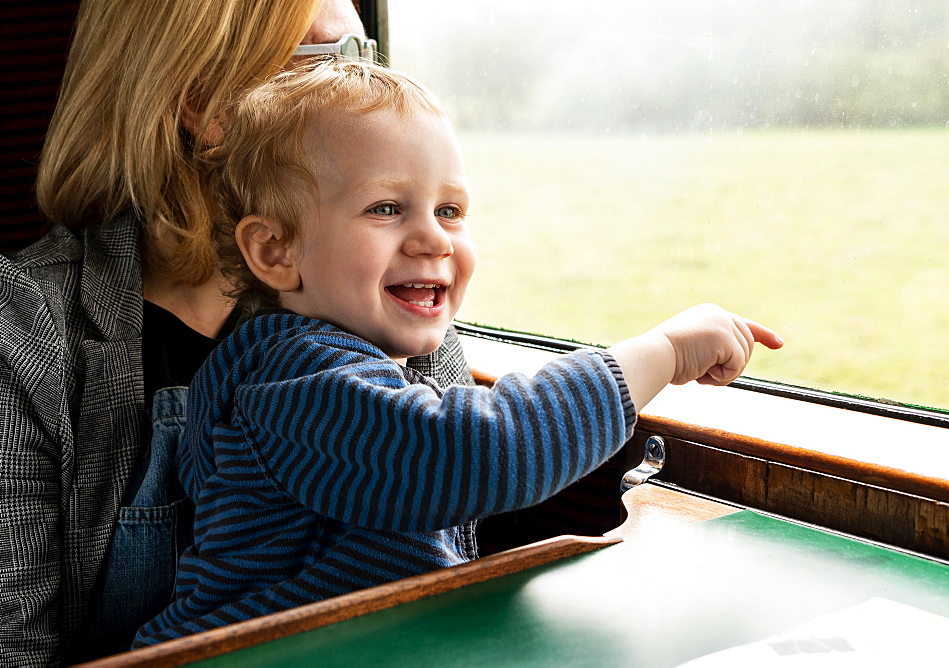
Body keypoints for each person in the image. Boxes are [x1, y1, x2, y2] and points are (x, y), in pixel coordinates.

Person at [131, 60, 783, 646]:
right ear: (276, 252)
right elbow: (477, 452)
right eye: (386, 208)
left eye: (451, 210)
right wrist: (659, 354)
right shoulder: (294, 377)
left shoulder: (347, 360)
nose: (432, 239)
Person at [0, 1, 472, 664]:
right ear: (203, 104)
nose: (368, 94)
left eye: (367, 58)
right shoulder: (24, 328)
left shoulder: (392, 296)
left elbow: (445, 591)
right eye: (331, 65)